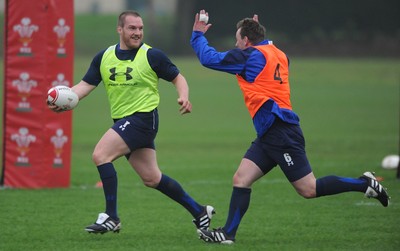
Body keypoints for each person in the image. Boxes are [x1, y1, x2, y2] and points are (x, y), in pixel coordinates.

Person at [190, 10, 390, 244]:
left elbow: (209, 59)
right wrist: (257, 35)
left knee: (308, 189)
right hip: (270, 131)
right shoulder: (279, 54)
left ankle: (364, 183)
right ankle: (227, 234)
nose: (236, 43)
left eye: (238, 39)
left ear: (246, 41)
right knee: (241, 179)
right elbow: (265, 55)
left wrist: (197, 35)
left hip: (280, 131)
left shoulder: (249, 55)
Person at [48, 10, 215, 235]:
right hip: (123, 121)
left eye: (140, 28)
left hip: (143, 119)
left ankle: (111, 217)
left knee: (100, 155)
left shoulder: (151, 55)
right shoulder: (104, 57)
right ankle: (199, 212)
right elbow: (84, 86)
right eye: (132, 28)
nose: (137, 33)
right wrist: (67, 99)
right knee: (152, 178)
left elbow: (178, 77)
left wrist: (184, 96)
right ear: (120, 29)